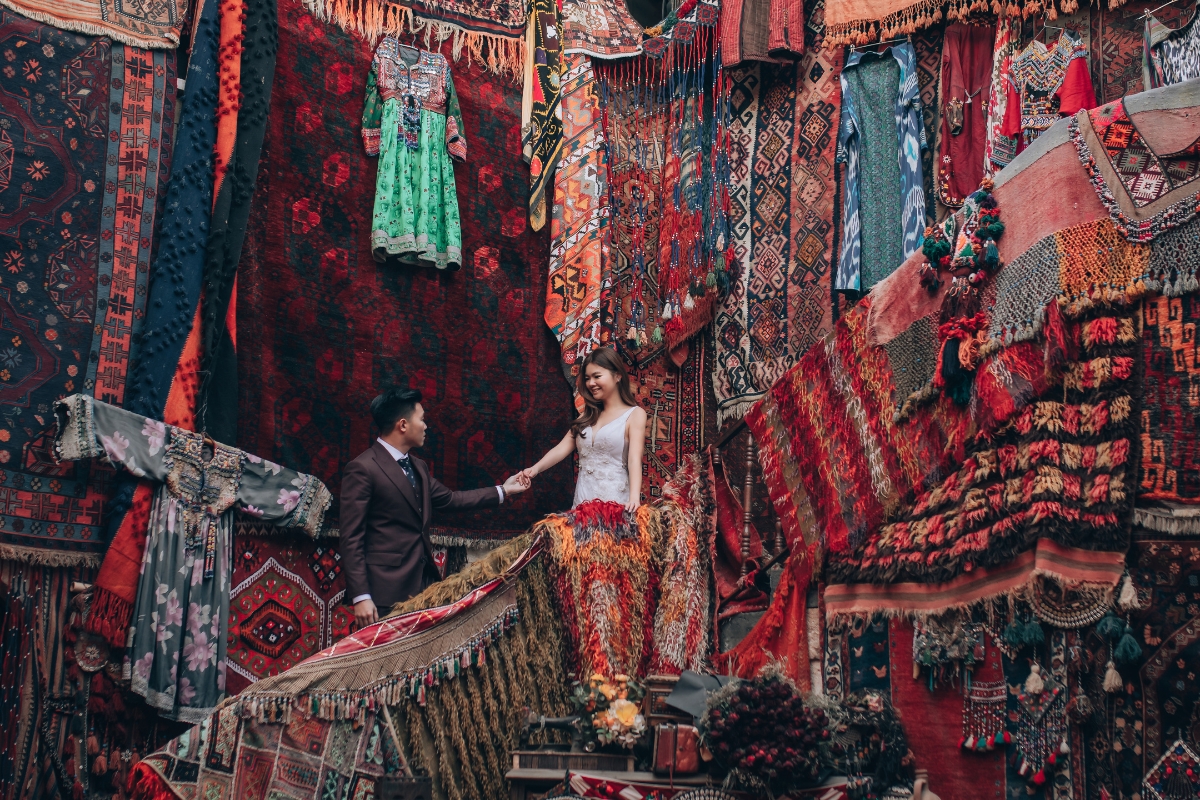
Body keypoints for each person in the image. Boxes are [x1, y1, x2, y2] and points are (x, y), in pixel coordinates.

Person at [340, 388, 531, 627]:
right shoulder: (363, 468)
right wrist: (361, 596)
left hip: (423, 585)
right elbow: (351, 537)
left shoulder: (418, 466)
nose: (426, 426)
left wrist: (504, 490)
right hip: (383, 592)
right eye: (421, 419)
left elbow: (451, 500)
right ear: (402, 425)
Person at [520, 347, 647, 510]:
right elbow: (561, 449)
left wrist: (634, 498)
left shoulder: (635, 414)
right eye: (587, 378)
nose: (591, 383)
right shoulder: (585, 417)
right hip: (582, 501)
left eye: (597, 376)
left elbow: (634, 459)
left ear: (617, 376)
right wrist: (534, 469)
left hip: (615, 503)